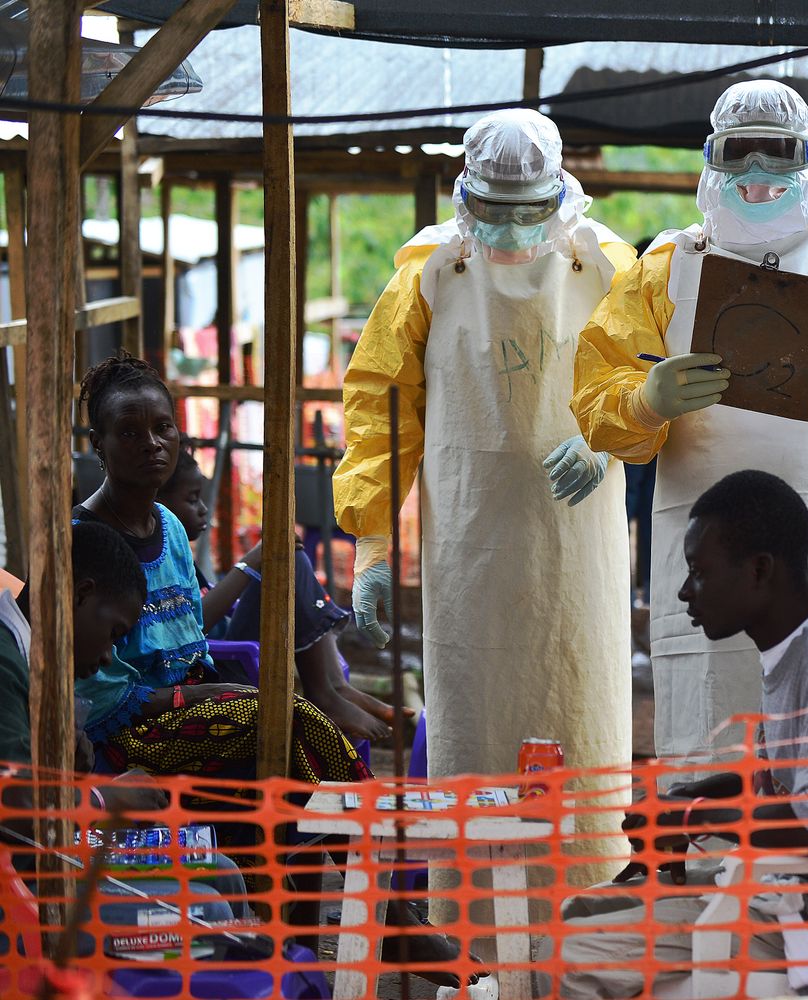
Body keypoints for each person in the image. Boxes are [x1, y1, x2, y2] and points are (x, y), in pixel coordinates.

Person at [572, 79, 808, 764]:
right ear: (711, 158)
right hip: (711, 569)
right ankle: (720, 869)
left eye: (775, 155)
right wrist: (643, 402)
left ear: (807, 158)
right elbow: (600, 396)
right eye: (738, 154)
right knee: (718, 741)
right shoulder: (662, 273)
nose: (756, 175)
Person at [332, 109, 634, 890]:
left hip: (578, 546)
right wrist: (370, 546)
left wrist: (610, 437)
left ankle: (582, 912)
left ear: (559, 195)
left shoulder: (607, 268)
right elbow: (379, 408)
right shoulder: (430, 274)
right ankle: (471, 934)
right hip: (470, 544)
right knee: (476, 721)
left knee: (581, 718)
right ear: (467, 199)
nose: (507, 230)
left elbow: (651, 371)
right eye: (491, 212)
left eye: (526, 211)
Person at [557, 470, 808, 997]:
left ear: (758, 569)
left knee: (565, 953)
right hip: (806, 897)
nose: (685, 591)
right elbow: (792, 780)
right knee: (579, 910)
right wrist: (693, 795)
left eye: (698, 571)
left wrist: (690, 815)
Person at [69, 356, 372, 785]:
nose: (152, 443)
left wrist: (212, 690)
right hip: (127, 730)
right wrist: (200, 694)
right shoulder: (83, 541)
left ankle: (310, 843)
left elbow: (193, 631)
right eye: (129, 432)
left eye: (163, 428)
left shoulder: (169, 525)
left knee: (290, 724)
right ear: (99, 443)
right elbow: (96, 692)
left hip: (195, 698)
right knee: (291, 723)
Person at [0, 520, 251, 922]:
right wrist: (105, 799)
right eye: (114, 633)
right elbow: (18, 814)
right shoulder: (5, 662)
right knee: (209, 907)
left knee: (222, 873)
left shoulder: (30, 660)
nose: (106, 657)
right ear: (82, 595)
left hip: (39, 865)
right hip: (22, 895)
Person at [158, 448, 400, 743]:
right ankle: (325, 691)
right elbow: (191, 626)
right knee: (285, 559)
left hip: (228, 656)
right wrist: (249, 564)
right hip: (218, 673)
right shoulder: (161, 560)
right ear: (159, 504)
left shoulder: (179, 553)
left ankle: (333, 687)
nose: (203, 509)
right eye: (192, 499)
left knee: (289, 558)